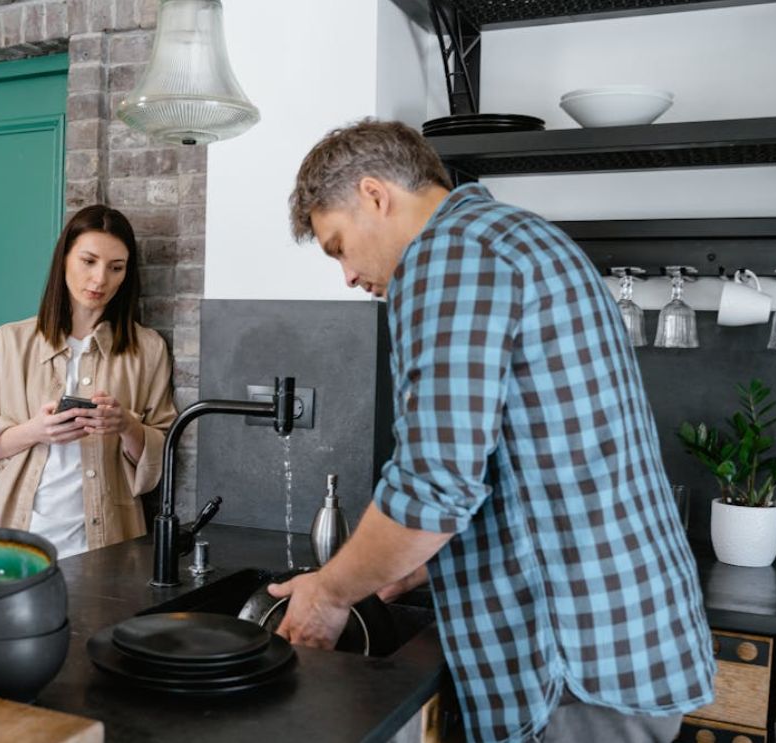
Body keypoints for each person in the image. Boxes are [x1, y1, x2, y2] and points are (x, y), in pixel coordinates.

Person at [271, 120, 715, 743]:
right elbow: (529, 460)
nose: (347, 276)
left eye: (338, 245)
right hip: (620, 640)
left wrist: (331, 592)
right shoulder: (518, 238)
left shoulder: (449, 257)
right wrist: (408, 566)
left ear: (374, 195)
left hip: (568, 663)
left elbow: (433, 488)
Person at [0, 205, 177, 559]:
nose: (100, 279)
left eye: (116, 268)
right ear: (64, 258)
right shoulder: (8, 342)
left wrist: (127, 425)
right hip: (14, 539)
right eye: (88, 261)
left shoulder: (148, 349)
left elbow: (162, 450)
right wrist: (37, 430)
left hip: (108, 543)